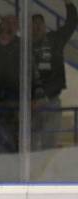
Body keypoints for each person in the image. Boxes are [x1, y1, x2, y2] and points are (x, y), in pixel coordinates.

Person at [31, 1, 78, 149]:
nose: (37, 27)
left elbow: (71, 24)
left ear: (45, 27)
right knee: (30, 145)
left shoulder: (55, 40)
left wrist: (69, 3)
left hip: (51, 100)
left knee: (49, 145)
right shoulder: (23, 46)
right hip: (31, 103)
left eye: (40, 24)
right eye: (34, 24)